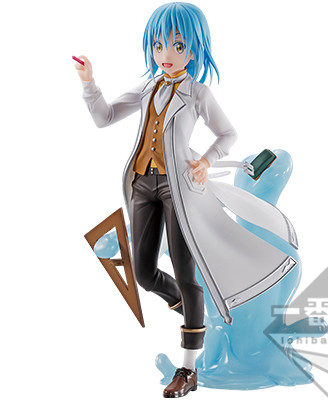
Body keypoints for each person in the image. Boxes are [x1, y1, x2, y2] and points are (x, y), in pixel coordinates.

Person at [75, 2, 237, 398]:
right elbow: (104, 117)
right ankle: (191, 308)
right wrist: (89, 83)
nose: (166, 54)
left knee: (185, 271)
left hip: (178, 188)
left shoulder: (198, 93)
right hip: (142, 185)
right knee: (145, 274)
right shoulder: (148, 87)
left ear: (194, 50)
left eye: (178, 46)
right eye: (158, 45)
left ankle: (188, 369)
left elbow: (228, 134)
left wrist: (206, 161)